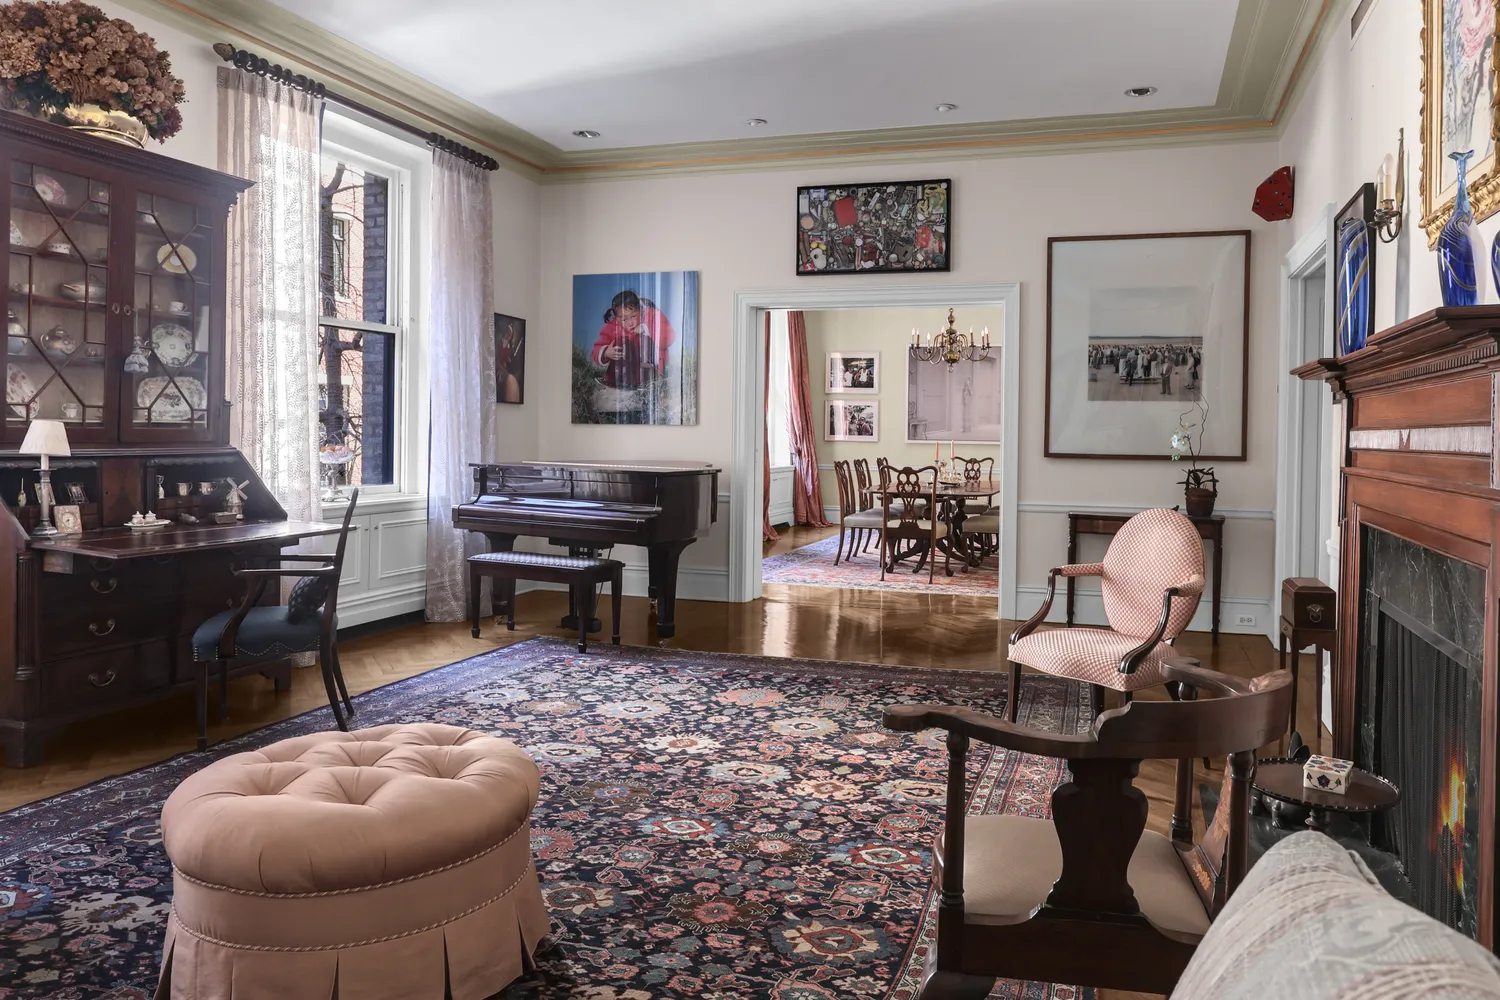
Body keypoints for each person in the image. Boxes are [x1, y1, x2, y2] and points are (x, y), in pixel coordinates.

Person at [590, 290, 676, 389]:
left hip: (650, 368)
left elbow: (669, 336)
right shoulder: (612, 327)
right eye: (624, 319)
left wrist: (645, 328)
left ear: (641, 310)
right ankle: (621, 383)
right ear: (617, 318)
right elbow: (597, 348)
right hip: (623, 373)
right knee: (622, 343)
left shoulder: (652, 316)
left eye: (633, 316)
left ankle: (648, 382)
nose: (630, 323)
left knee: (644, 339)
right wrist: (606, 352)